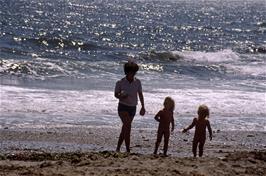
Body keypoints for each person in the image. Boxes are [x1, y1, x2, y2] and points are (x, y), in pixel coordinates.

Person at [114, 60, 145, 153]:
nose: (133, 74)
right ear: (126, 72)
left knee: (125, 128)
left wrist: (143, 107)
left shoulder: (137, 82)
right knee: (128, 127)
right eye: (132, 72)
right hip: (123, 107)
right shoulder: (120, 82)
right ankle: (127, 149)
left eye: (135, 72)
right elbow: (116, 95)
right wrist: (121, 96)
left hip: (133, 107)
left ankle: (118, 148)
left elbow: (140, 94)